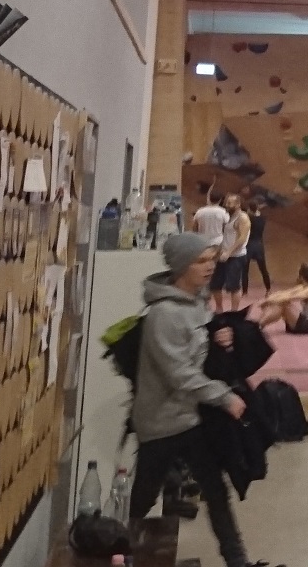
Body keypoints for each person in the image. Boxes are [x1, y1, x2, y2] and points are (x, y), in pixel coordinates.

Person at [129, 233, 256, 567]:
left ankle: (236, 559)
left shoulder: (198, 302)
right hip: (160, 423)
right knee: (143, 499)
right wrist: (223, 398)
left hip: (190, 417)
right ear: (181, 265)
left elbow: (197, 349)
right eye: (201, 260)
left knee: (216, 490)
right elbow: (179, 373)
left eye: (212, 258)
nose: (210, 266)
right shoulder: (164, 314)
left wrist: (219, 336)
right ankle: (124, 556)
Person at [250, 263, 308, 335]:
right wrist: (269, 299)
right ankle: (258, 325)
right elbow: (285, 293)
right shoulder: (305, 286)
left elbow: (290, 297)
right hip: (304, 322)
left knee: (284, 303)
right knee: (280, 302)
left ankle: (258, 325)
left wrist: (267, 301)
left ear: (302, 276)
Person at [241, 198, 270, 294]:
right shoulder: (262, 219)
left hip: (248, 245)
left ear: (249, 209)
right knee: (263, 269)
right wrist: (257, 207)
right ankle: (268, 289)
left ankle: (245, 292)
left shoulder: (247, 218)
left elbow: (247, 213)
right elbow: (256, 212)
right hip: (259, 245)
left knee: (245, 270)